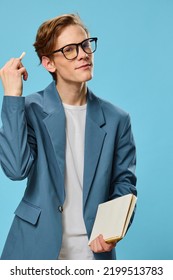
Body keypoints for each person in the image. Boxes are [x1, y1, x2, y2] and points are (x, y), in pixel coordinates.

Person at [0, 14, 137, 260]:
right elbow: (16, 169)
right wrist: (12, 96)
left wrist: (113, 230)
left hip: (93, 254)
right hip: (32, 248)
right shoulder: (29, 110)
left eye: (85, 45)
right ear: (49, 63)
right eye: (70, 50)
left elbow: (124, 185)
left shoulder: (118, 119)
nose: (83, 54)